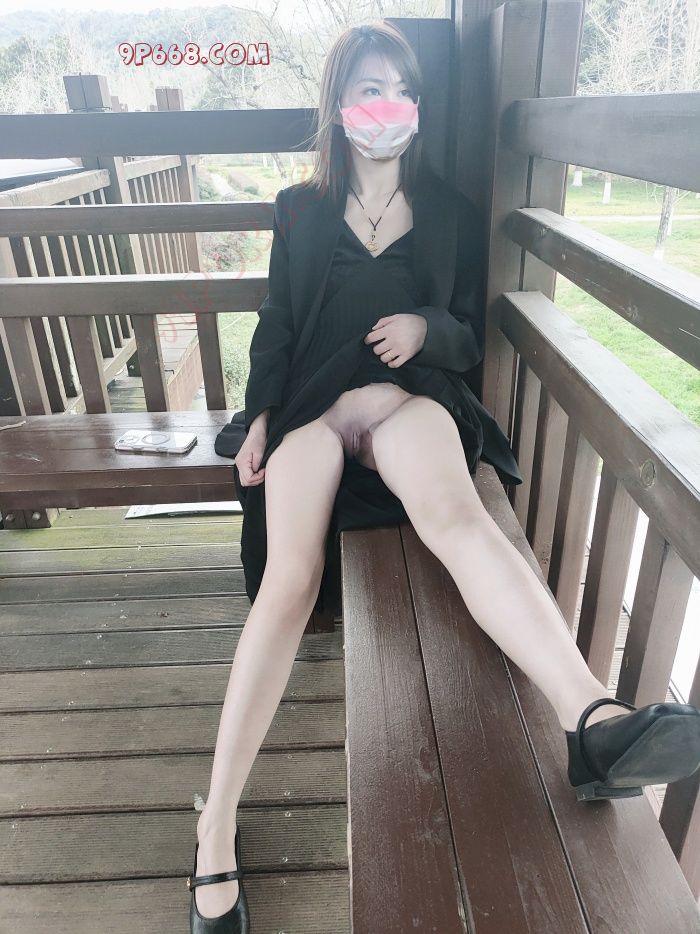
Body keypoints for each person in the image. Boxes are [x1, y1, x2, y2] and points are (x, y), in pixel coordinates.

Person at [189, 22, 700, 933]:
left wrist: (426, 327)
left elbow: (466, 331)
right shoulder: (300, 209)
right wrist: (262, 414)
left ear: (417, 107)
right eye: (369, 89)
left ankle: (591, 719)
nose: (387, 105)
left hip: (409, 403)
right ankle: (216, 823)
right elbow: (277, 322)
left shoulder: (449, 211)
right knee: (289, 579)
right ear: (339, 106)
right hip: (312, 410)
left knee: (461, 520)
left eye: (402, 90)